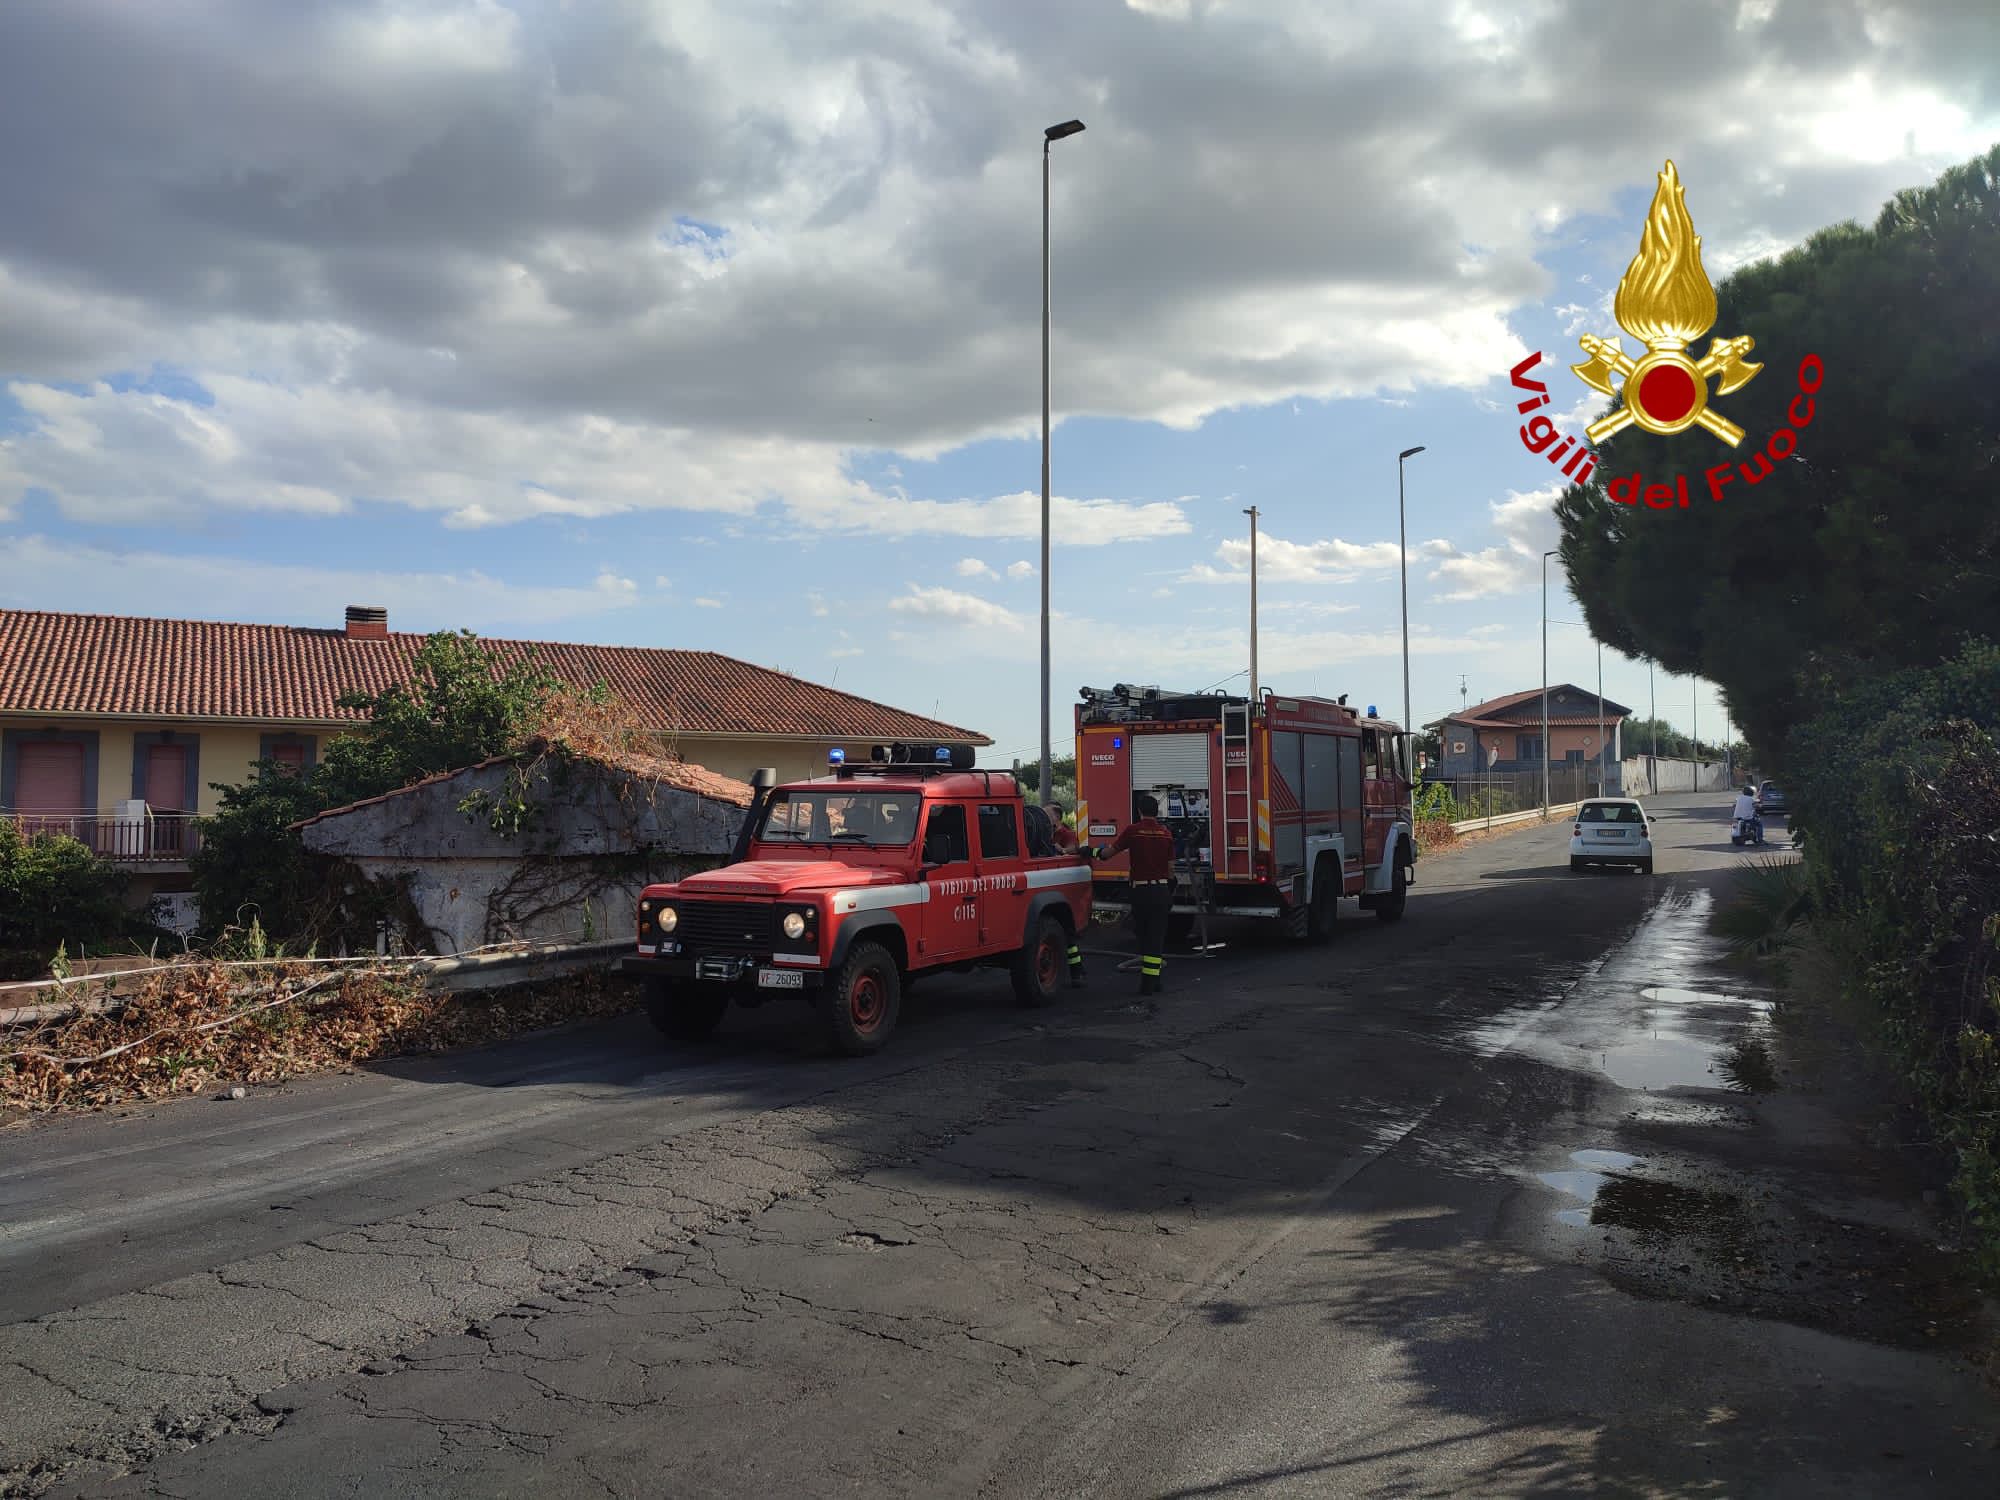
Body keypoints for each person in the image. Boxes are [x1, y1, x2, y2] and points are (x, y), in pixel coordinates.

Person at [1088, 794, 1175, 995]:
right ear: (1157, 811)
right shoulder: (1166, 833)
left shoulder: (1133, 831)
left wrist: (1090, 852)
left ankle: (1149, 985)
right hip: (1161, 891)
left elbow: (1107, 854)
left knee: (1144, 936)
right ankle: (1154, 981)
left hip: (1141, 891)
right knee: (1157, 937)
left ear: (1139, 811)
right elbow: (1171, 871)